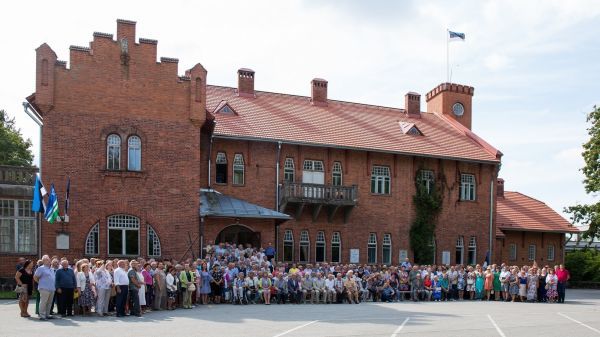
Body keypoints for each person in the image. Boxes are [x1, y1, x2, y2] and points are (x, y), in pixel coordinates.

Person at [33, 255, 56, 320]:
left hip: (52, 288)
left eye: (49, 259)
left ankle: (47, 314)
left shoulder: (51, 269)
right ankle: (42, 315)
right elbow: (35, 277)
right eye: (47, 260)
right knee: (43, 302)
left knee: (49, 302)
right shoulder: (41, 268)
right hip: (44, 288)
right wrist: (40, 283)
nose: (49, 261)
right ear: (43, 261)